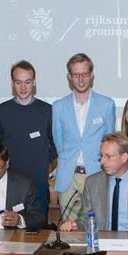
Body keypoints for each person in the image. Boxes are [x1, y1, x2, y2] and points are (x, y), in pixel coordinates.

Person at [52, 53, 115, 222]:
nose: (81, 79)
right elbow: (59, 142)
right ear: (69, 77)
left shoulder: (107, 104)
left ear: (92, 75)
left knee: (97, 226)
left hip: (96, 175)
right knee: (68, 230)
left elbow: (109, 142)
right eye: (76, 74)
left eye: (85, 74)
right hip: (68, 177)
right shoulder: (58, 107)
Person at [0, 60, 56, 217]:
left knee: (39, 228)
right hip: (9, 184)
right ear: (12, 83)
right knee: (10, 229)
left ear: (34, 83)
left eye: (27, 82)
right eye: (18, 82)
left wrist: (44, 162)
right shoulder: (1, 111)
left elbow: (56, 144)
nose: (23, 87)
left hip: (39, 183)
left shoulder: (47, 111)